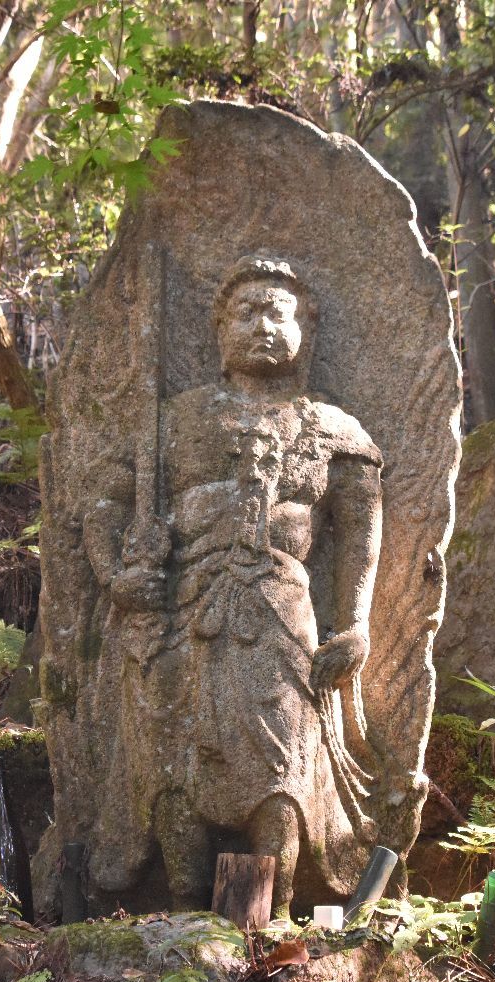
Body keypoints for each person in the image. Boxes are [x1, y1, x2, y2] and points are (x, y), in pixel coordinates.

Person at [86, 254, 385, 915]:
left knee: (280, 765)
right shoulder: (169, 422)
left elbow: (362, 536)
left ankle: (264, 917)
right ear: (218, 329)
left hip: (277, 616)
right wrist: (118, 578)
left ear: (306, 329)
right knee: (171, 764)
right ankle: (184, 912)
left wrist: (355, 625)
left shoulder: (337, 432)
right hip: (176, 611)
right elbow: (104, 506)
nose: (263, 326)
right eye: (246, 312)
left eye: (279, 313)